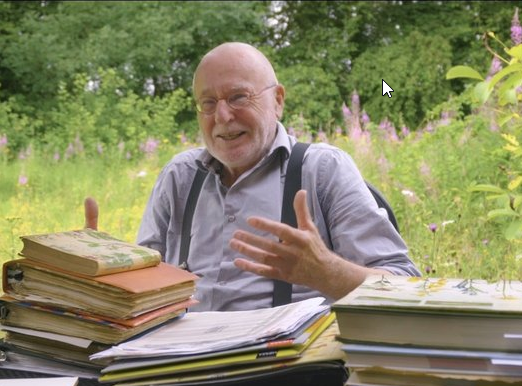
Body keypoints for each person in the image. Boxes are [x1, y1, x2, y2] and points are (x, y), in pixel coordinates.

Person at [85, 42, 420, 311]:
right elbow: (145, 290)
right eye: (208, 103)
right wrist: (98, 274)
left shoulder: (322, 170)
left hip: (288, 375)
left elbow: (407, 288)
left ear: (277, 101)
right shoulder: (180, 177)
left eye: (238, 97)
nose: (223, 116)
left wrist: (328, 272)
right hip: (178, 370)